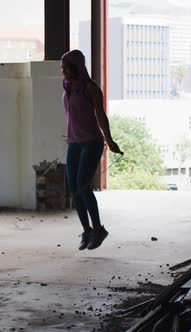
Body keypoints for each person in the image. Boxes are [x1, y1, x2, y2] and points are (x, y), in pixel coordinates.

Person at [61, 49, 122, 250]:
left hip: (91, 143)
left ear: (76, 66)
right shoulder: (67, 85)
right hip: (74, 143)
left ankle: (98, 229)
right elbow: (71, 114)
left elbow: (101, 116)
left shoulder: (90, 87)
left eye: (66, 66)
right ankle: (86, 231)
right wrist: (70, 133)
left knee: (82, 186)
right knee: (74, 189)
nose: (63, 70)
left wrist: (109, 140)